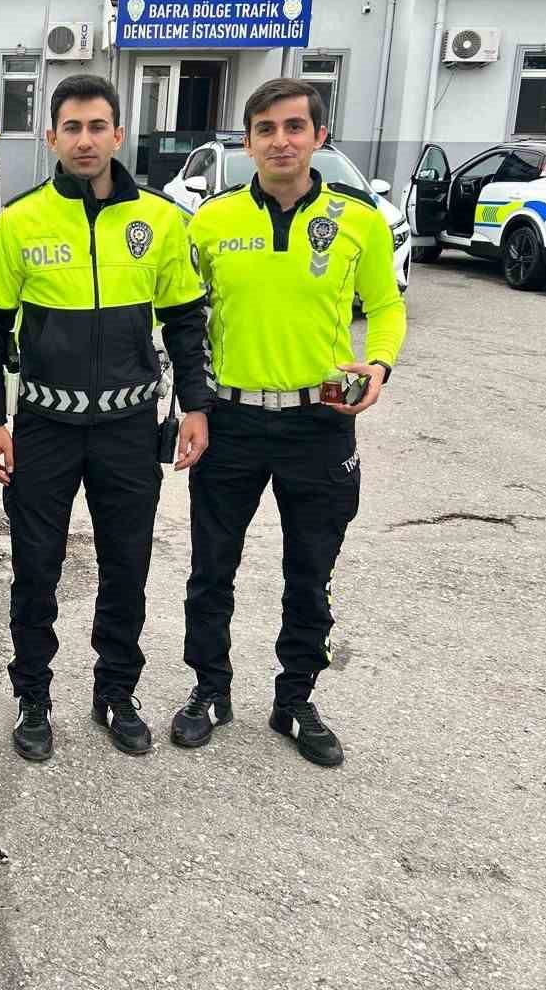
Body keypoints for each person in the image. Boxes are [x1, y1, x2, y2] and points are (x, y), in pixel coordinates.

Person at [0, 73, 215, 763]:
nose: (85, 140)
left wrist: (194, 405)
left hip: (129, 428)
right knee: (36, 570)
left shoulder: (163, 221)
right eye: (71, 128)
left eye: (97, 127)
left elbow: (184, 322)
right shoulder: (22, 220)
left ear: (118, 133)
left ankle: (116, 691)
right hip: (46, 428)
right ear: (52, 137)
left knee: (126, 567)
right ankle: (33, 696)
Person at [173, 78, 406, 767]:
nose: (281, 141)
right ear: (247, 142)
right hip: (232, 421)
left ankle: (296, 699)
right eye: (266, 129)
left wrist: (381, 366)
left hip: (320, 422)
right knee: (211, 569)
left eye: (295, 127)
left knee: (310, 570)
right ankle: (210, 690)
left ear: (319, 137)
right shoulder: (210, 223)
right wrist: (190, 401)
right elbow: (184, 317)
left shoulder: (356, 220)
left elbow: (386, 309)